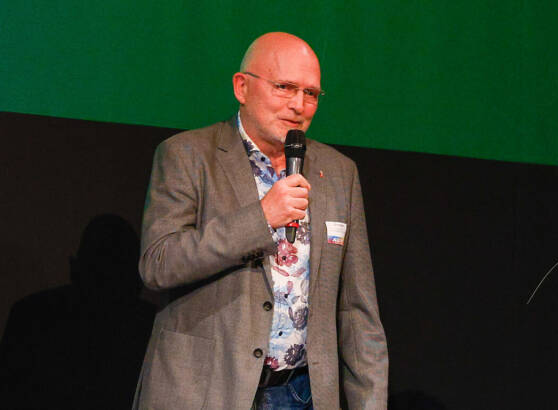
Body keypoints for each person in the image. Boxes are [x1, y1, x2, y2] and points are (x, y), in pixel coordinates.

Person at [133, 32, 388, 410]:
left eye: (311, 93)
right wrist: (261, 217)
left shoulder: (338, 173)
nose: (299, 105)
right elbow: (159, 264)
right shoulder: (188, 155)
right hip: (206, 391)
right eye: (284, 87)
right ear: (242, 87)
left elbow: (357, 311)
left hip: (300, 394)